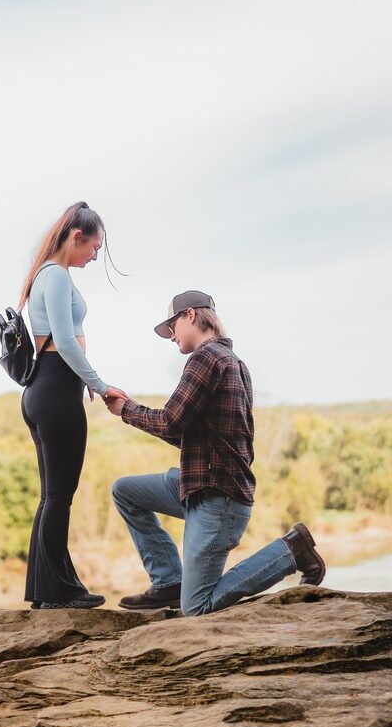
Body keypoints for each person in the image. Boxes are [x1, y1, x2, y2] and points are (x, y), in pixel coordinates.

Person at [104, 290, 326, 615]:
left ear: (191, 315)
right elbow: (194, 436)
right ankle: (168, 582)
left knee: (195, 608)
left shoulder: (206, 358)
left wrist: (126, 410)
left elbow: (169, 422)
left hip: (218, 497)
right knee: (125, 491)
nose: (171, 336)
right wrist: (132, 409)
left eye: (172, 327)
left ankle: (292, 551)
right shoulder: (234, 363)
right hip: (200, 485)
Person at [18, 202, 125, 609]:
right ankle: (58, 591)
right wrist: (98, 383)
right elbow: (64, 341)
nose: (95, 256)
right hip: (57, 390)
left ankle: (44, 591)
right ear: (76, 237)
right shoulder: (57, 276)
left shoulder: (44, 273)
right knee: (59, 497)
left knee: (51, 496)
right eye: (94, 247)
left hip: (42, 389)